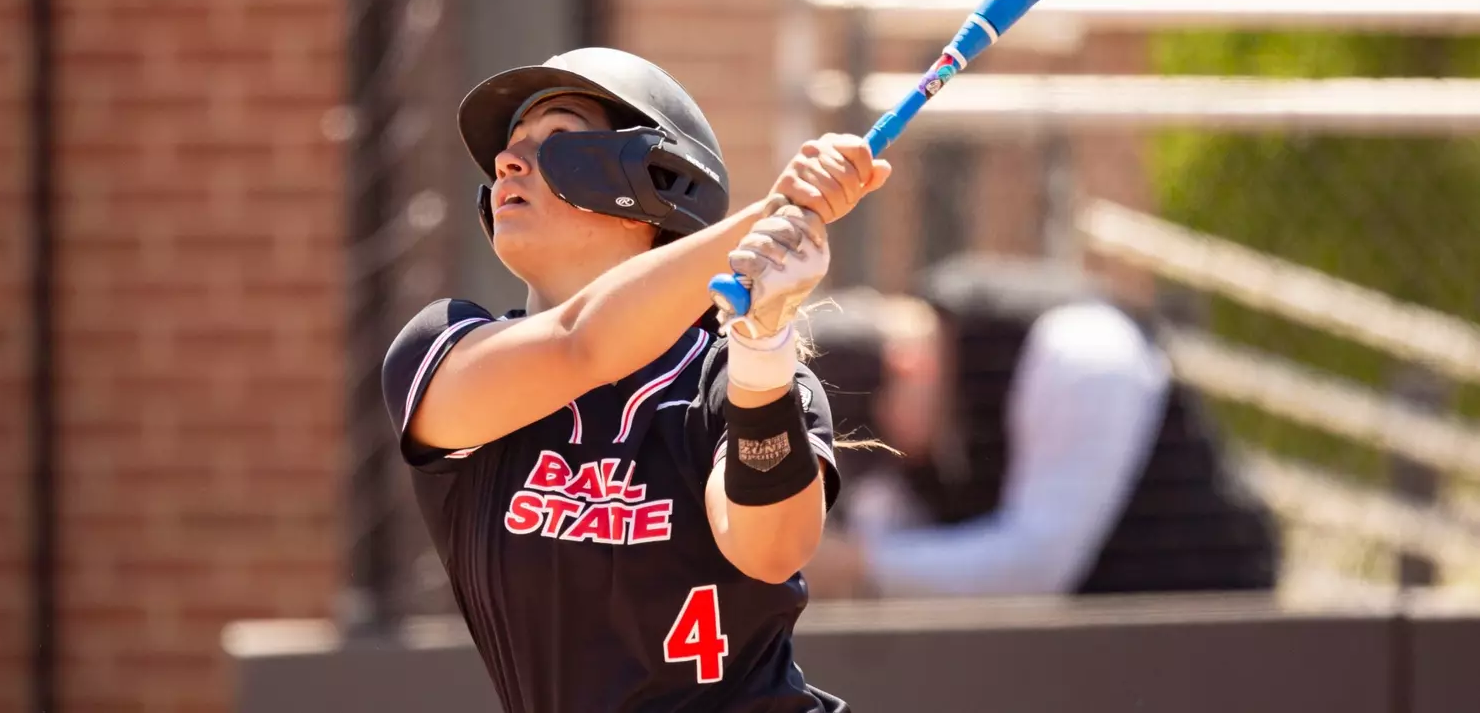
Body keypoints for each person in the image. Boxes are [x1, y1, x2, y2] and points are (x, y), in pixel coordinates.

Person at [381, 47, 891, 713]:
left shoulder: (731, 376)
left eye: (558, 139)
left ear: (658, 178)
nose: (508, 162)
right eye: (511, 148)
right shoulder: (441, 348)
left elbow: (772, 549)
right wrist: (770, 213)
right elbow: (580, 345)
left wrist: (762, 346)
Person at [803, 256, 1280, 599]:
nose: (880, 455)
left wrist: (856, 564)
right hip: (1089, 659)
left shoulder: (1078, 350)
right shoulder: (933, 417)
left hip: (1209, 632)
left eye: (871, 431)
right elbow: (889, 532)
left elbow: (1036, 565)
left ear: (910, 366)